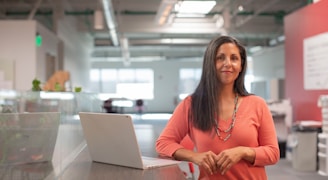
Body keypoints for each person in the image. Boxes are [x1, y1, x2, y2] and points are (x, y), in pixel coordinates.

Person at [155, 35, 279, 179]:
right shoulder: (191, 105)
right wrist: (194, 156)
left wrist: (243, 152)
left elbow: (273, 153)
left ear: (241, 66)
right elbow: (163, 143)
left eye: (234, 58)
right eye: (220, 58)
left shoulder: (257, 104)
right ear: (210, 64)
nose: (228, 63)